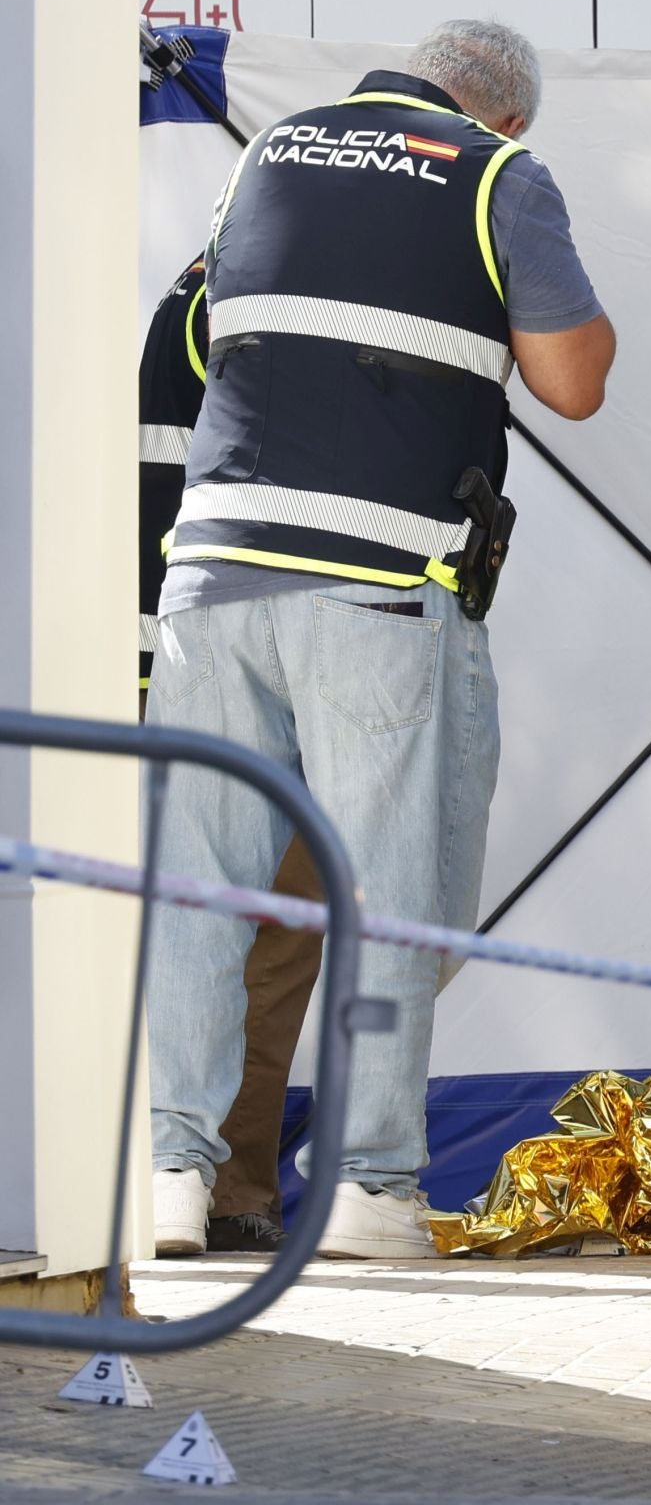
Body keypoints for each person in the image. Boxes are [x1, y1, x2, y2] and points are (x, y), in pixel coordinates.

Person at [145, 19, 615, 1261]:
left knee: (200, 892)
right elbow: (574, 382)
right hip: (379, 579)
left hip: (212, 571)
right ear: (504, 114)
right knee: (396, 896)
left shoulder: (269, 153)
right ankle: (367, 1188)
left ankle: (171, 1178)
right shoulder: (498, 172)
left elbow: (215, 331)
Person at [140, 253, 323, 1253]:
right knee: (257, 931)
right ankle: (211, 1181)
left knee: (258, 928)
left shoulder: (232, 267)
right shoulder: (274, 276)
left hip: (201, 647)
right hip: (238, 652)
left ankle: (214, 1182)